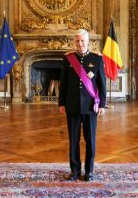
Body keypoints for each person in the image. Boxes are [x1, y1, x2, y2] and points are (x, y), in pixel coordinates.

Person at [58, 29, 106, 182]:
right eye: (77, 41)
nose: (80, 44)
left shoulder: (96, 59)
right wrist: (61, 103)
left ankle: (89, 171)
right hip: (72, 106)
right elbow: (63, 82)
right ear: (74, 42)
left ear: (88, 42)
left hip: (91, 107)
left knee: (90, 140)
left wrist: (102, 104)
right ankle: (75, 171)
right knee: (73, 140)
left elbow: (101, 84)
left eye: (82, 41)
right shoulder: (68, 59)